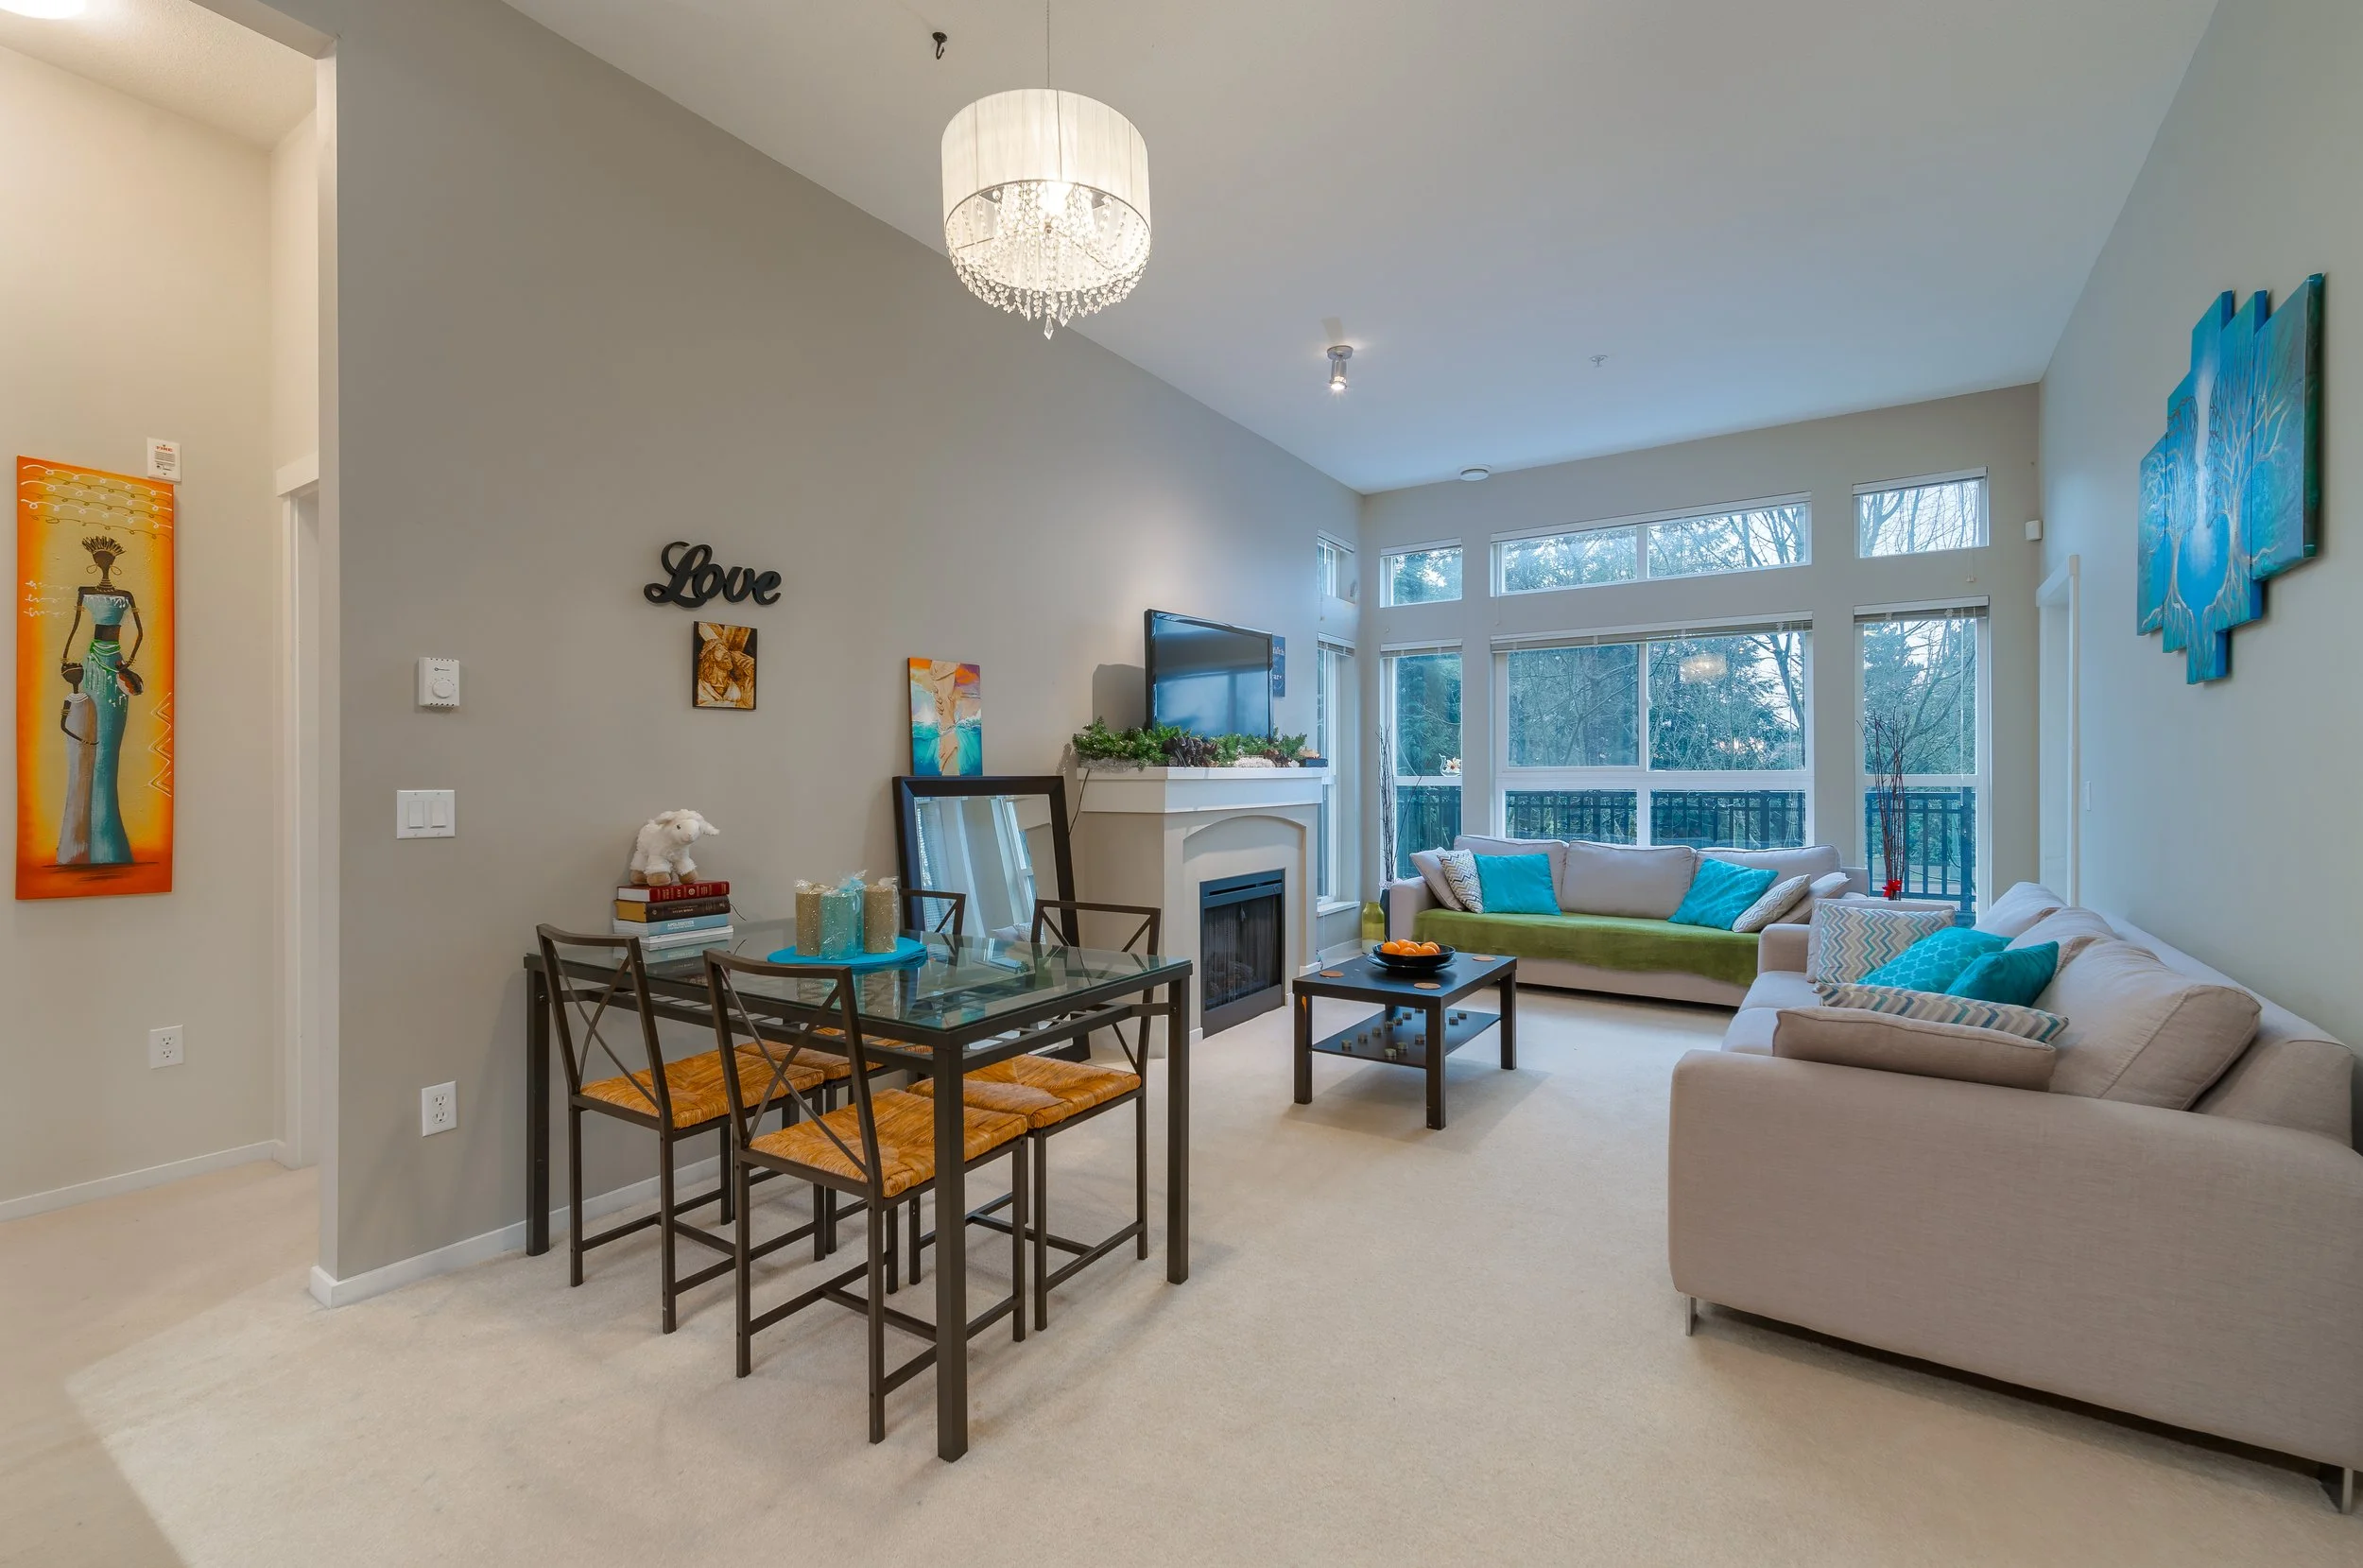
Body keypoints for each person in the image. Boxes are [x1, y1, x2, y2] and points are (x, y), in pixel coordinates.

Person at [55, 534, 145, 867]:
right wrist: (67, 660)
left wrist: (128, 667)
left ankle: (108, 844)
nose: (104, 565)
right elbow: (75, 629)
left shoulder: (124, 594)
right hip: (93, 665)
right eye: (101, 560)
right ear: (97, 562)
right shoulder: (86, 592)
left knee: (109, 749)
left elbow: (140, 633)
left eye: (108, 560)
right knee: (89, 743)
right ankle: (84, 842)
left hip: (113, 665)